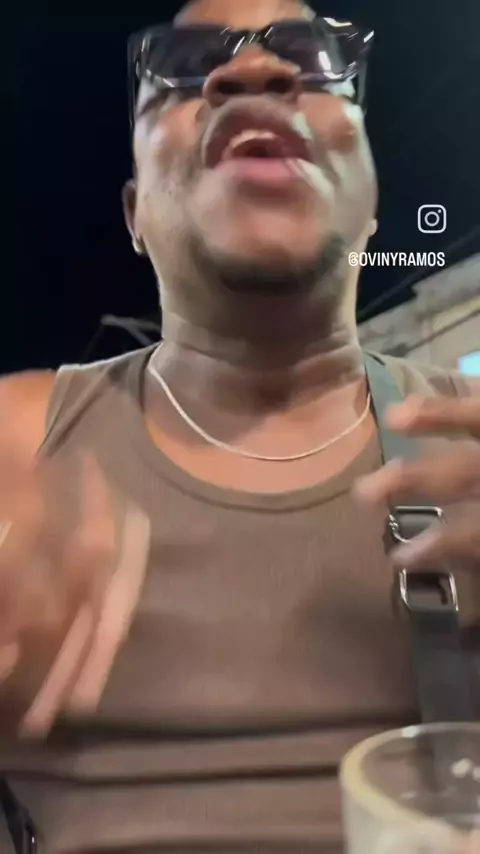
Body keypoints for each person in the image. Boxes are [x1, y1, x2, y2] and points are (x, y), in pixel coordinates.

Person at [1, 0, 479, 851]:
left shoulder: (470, 446)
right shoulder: (18, 444)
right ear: (134, 216)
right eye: (183, 68)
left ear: (371, 202)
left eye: (308, 54)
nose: (252, 71)